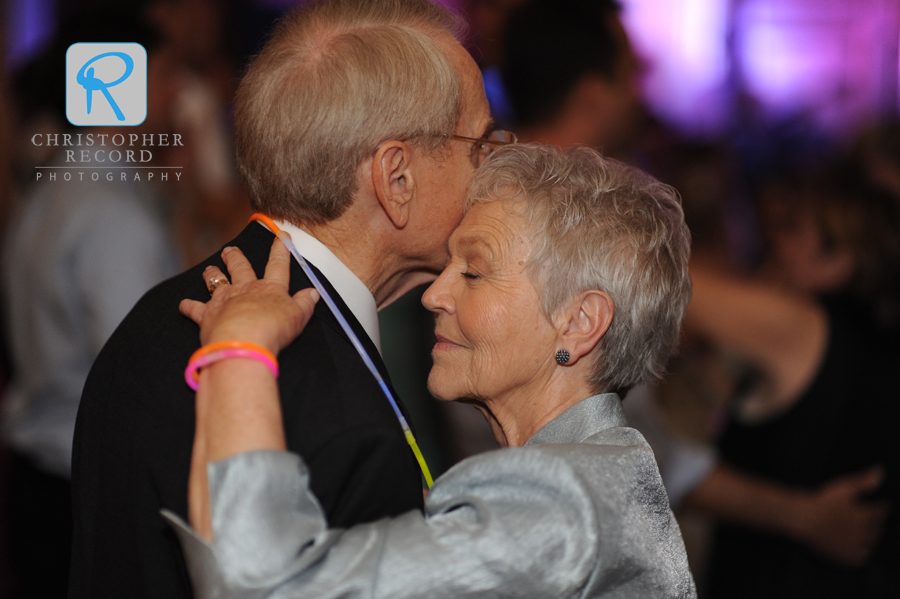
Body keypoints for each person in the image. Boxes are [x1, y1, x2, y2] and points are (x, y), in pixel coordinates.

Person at [69, 1, 496, 598]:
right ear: (396, 180)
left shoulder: (159, 311)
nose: (492, 170)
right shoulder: (348, 429)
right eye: (480, 145)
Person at [166, 144, 698, 598]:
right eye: (447, 266)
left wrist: (239, 347)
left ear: (579, 322)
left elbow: (271, 588)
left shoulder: (564, 503)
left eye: (473, 270)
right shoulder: (595, 478)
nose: (435, 294)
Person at [681, 167, 900, 598]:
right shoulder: (873, 337)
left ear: (839, 260)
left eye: (795, 230)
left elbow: (665, 285)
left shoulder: (805, 327)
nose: (778, 243)